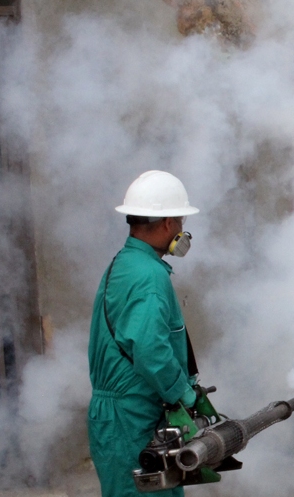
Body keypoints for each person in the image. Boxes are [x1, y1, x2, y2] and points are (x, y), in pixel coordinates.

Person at [87, 170, 200, 497]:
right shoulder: (149, 276)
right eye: (179, 221)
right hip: (133, 420)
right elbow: (150, 350)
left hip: (117, 418)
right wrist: (186, 394)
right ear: (167, 224)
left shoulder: (123, 265)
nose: (182, 230)